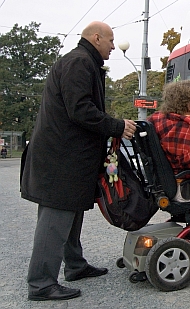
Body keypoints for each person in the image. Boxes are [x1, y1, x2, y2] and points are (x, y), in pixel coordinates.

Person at [20, 21, 137, 301]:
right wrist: (117, 125)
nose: (112, 46)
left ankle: (74, 265)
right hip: (62, 159)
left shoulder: (82, 61)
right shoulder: (79, 62)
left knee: (70, 212)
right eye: (110, 40)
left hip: (64, 157)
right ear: (96, 38)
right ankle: (41, 284)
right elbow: (80, 109)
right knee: (56, 217)